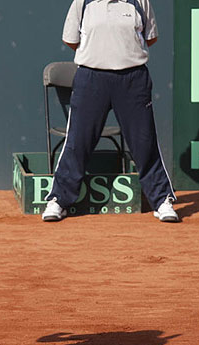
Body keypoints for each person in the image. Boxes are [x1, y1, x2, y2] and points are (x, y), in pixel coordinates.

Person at [42, 0, 179, 223]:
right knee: (78, 141)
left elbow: (150, 37)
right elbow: (71, 40)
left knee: (144, 142)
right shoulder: (83, 2)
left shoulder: (140, 1)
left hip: (133, 79)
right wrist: (98, 55)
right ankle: (59, 200)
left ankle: (162, 200)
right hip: (91, 79)